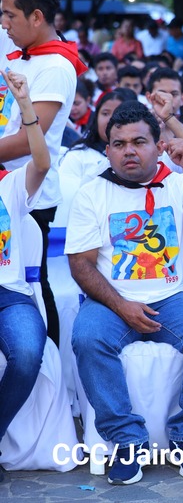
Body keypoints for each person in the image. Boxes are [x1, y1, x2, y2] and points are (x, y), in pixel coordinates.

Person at [67, 101, 183, 484]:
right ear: (107, 150)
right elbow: (81, 265)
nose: (129, 151)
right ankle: (126, 440)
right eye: (119, 144)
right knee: (87, 338)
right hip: (112, 300)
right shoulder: (92, 193)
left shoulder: (178, 181)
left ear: (159, 146)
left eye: (139, 142)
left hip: (173, 296)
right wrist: (121, 305)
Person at [0, 0, 88, 347]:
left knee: (33, 283)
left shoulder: (55, 66)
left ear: (36, 17)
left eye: (9, 15)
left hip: (30, 192)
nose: (3, 24)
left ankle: (47, 362)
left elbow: (26, 141)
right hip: (6, 184)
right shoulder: (24, 55)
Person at [0, 70, 51, 484]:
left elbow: (42, 162)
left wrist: (26, 107)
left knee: (28, 352)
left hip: (9, 293)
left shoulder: (11, 184)